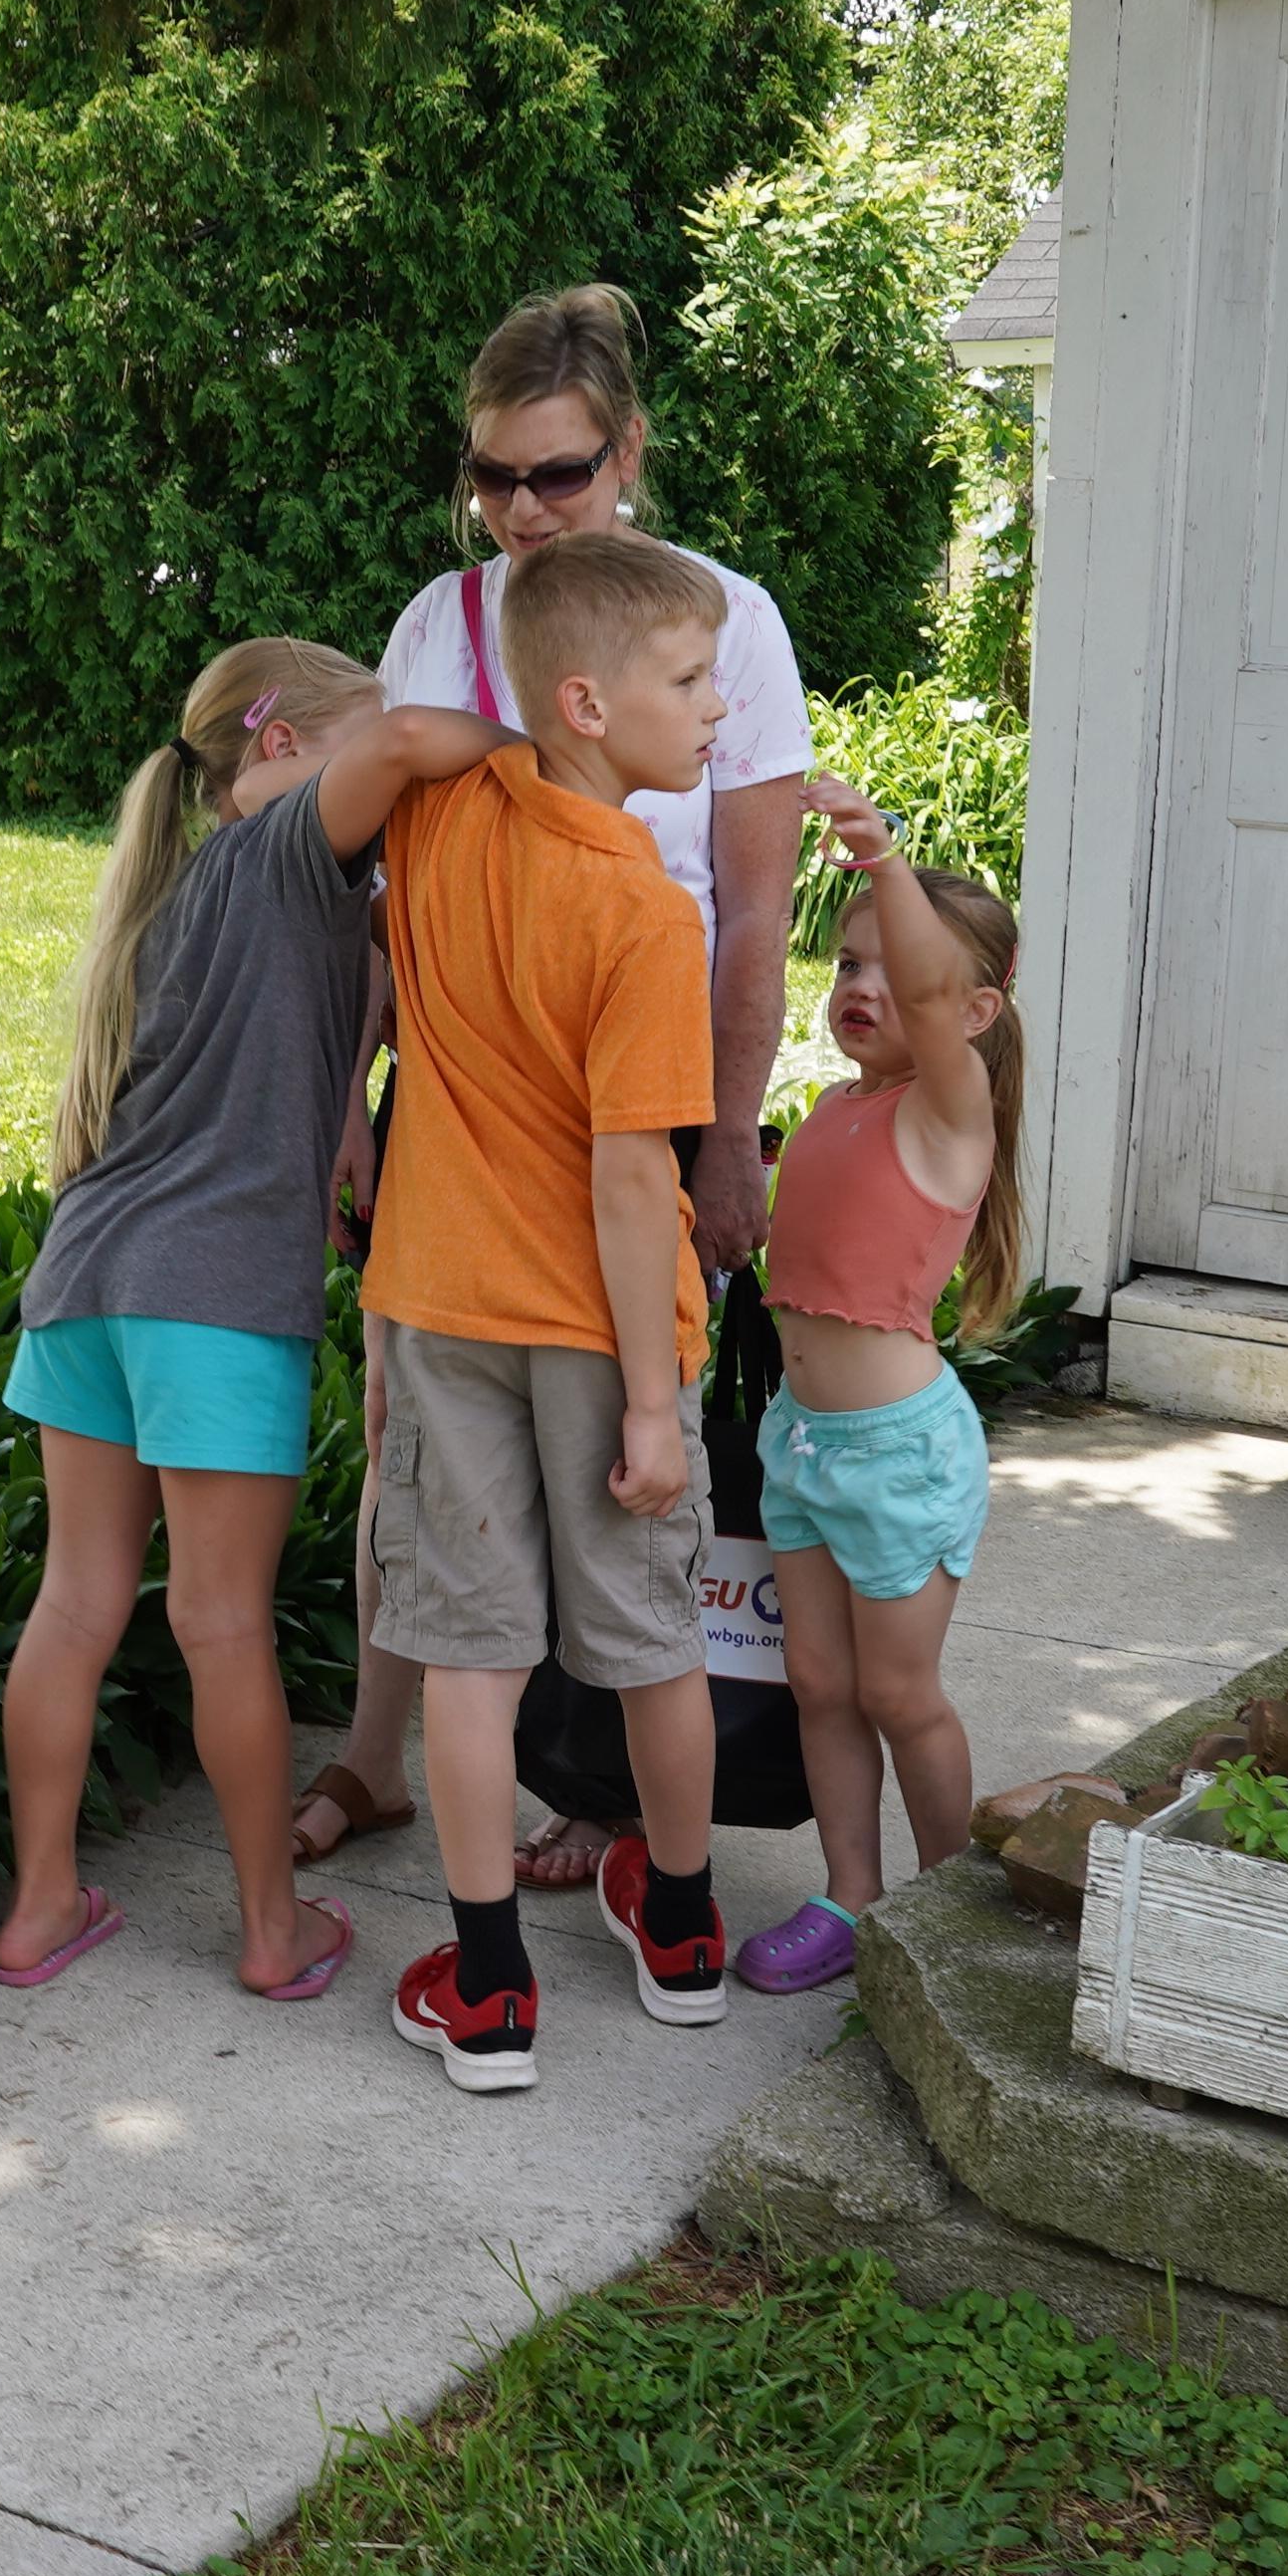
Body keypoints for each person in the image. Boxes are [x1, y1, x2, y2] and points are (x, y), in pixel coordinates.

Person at [302, 286, 814, 1889]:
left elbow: (747, 923)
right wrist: (343, 1112)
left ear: (629, 453)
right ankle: (381, 1760)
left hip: (637, 1120)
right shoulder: (442, 625)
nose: (524, 511)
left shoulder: (714, 625)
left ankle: (605, 1798)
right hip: (458, 1123)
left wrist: (724, 1147)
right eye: (494, 478)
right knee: (425, 1452)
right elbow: (380, 902)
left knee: (619, 1464)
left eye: (560, 475)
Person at [0, 639, 519, 2009]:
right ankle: (274, 1932)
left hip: (86, 1278)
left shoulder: (174, 896)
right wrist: (540, 744)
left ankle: (41, 1904)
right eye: (344, 742)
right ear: (280, 748)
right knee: (222, 1619)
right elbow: (402, 748)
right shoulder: (289, 846)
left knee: (76, 1603)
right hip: (214, 1298)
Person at [369, 530, 744, 2095]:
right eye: (690, 676)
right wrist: (656, 1407)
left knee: (472, 1655)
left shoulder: (444, 816)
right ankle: (682, 1926)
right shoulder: (647, 914)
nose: (720, 704)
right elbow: (625, 1179)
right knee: (655, 1642)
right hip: (605, 1341)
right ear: (587, 702)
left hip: (443, 1309)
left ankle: (493, 1988)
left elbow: (391, 738)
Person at [727, 809, 1027, 1998]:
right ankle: (851, 1897)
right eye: (847, 962)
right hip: (802, 1444)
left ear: (972, 1014)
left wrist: (881, 859)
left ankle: (942, 1906)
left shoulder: (947, 1114)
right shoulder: (846, 1105)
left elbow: (926, 969)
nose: (864, 983)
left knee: (900, 1691)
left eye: (893, 972)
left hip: (899, 1453)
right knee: (822, 1683)